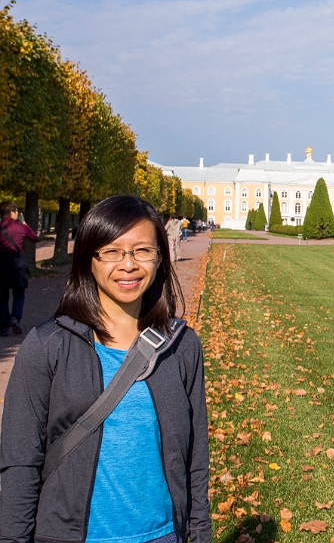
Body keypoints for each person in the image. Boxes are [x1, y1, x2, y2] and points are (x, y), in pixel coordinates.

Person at [0, 195, 211, 543]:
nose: (128, 265)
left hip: (162, 535)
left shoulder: (181, 346)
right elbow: (20, 461)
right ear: (89, 259)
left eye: (142, 250)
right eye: (111, 251)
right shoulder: (47, 346)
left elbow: (195, 455)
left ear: (160, 257)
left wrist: (199, 532)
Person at [0, 201, 39, 336]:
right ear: (12, 212)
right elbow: (34, 238)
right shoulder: (21, 227)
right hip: (18, 263)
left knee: (2, 295)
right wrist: (25, 225)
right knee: (19, 292)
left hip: (2, 263)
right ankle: (15, 318)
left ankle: (3, 325)